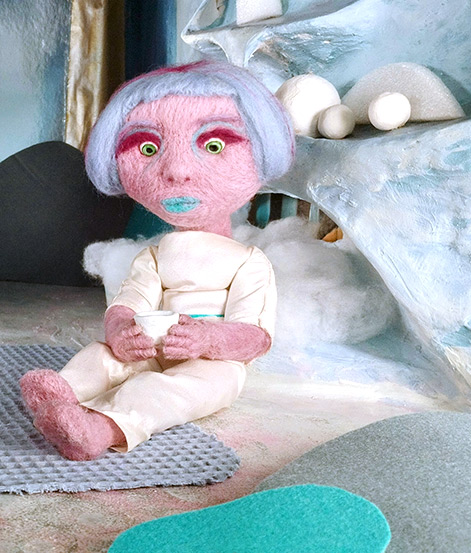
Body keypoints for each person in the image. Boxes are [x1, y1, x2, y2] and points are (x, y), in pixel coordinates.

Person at [20, 60, 295, 460]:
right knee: (102, 355)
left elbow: (256, 337)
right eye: (148, 149)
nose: (176, 170)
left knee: (170, 390)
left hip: (213, 362)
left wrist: (209, 339)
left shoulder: (249, 262)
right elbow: (128, 304)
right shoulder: (153, 256)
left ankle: (101, 428)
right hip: (150, 349)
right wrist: (121, 331)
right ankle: (60, 395)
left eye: (214, 145)